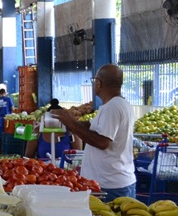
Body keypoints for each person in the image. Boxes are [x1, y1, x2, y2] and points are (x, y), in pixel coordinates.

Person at [51, 64, 136, 200]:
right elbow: (93, 127)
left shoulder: (112, 108)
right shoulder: (120, 104)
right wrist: (70, 122)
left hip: (109, 186)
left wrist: (70, 122)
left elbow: (102, 142)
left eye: (94, 80)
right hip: (114, 182)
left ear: (99, 83)